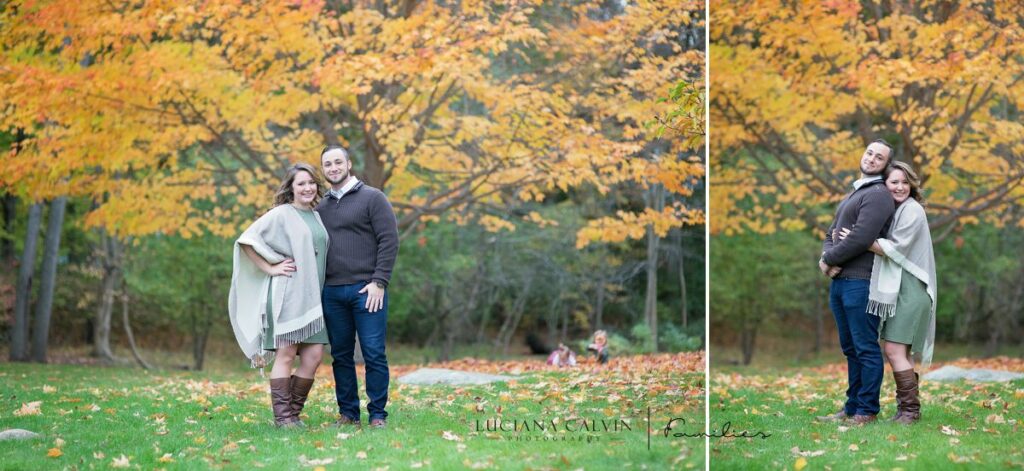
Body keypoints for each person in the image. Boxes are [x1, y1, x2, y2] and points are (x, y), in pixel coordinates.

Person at [228, 163, 330, 427]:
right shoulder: (282, 214)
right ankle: (284, 419)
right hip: (288, 295)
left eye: (311, 183)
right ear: (291, 188)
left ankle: (293, 414)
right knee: (286, 355)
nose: (307, 188)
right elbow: (246, 239)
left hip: (314, 299)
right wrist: (270, 267)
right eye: (301, 183)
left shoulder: (316, 216)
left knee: (313, 356)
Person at [835, 161, 936, 425]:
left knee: (893, 349)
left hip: (913, 290)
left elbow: (895, 248)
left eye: (905, 182)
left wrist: (858, 240)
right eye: (894, 182)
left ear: (912, 185)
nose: (900, 187)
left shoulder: (912, 210)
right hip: (899, 290)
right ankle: (906, 410)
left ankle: (910, 411)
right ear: (884, 185)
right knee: (898, 351)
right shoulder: (895, 211)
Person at [317, 146, 399, 429]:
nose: (333, 167)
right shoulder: (321, 207)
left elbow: (389, 240)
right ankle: (348, 413)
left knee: (374, 352)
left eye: (338, 162)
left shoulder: (372, 198)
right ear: (324, 170)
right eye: (328, 164)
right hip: (332, 292)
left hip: (368, 290)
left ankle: (378, 415)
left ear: (349, 164)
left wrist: (379, 282)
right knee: (340, 355)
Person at [816, 139, 896, 425]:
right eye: (870, 153)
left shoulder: (877, 195)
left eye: (880, 157)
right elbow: (831, 232)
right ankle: (852, 407)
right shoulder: (855, 192)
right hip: (841, 282)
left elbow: (861, 237)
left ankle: (867, 410)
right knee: (850, 348)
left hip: (861, 282)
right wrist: (827, 258)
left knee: (865, 347)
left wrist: (830, 260)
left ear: (885, 165)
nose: (872, 159)